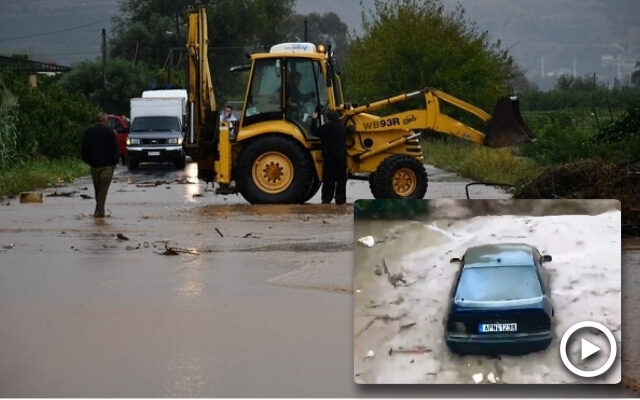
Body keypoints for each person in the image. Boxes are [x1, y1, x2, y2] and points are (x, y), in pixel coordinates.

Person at [81, 112, 119, 218]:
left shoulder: (88, 131)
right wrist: (114, 161)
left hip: (94, 166)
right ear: (105, 120)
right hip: (107, 166)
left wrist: (88, 161)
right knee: (103, 189)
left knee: (98, 189)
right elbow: (115, 148)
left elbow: (84, 149)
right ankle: (99, 213)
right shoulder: (109, 131)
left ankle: (99, 211)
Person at [310, 109, 347, 205]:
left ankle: (326, 200)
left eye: (325, 118)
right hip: (342, 157)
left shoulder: (327, 127)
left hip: (330, 157)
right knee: (341, 180)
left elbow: (314, 132)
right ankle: (340, 201)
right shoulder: (342, 127)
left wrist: (314, 119)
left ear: (328, 118)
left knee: (329, 180)